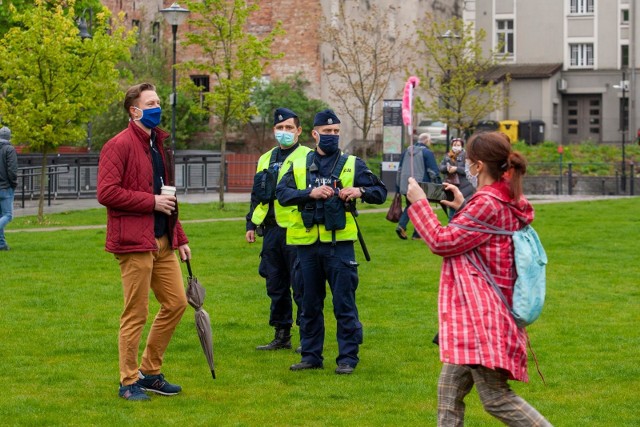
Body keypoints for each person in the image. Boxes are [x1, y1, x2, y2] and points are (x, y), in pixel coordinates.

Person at [406, 131, 552, 426]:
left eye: (469, 161)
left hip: (482, 315)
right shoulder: (505, 196)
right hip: (481, 311)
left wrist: (420, 203)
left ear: (479, 165)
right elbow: (484, 237)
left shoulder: (487, 201)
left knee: (496, 398)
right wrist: (462, 206)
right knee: (448, 392)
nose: (466, 166)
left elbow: (441, 241)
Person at [97, 83, 190, 402]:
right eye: (151, 103)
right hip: (134, 242)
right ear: (134, 111)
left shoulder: (159, 146)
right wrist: (149, 202)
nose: (157, 107)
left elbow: (168, 197)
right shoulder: (117, 145)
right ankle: (128, 381)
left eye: (158, 101)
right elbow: (106, 193)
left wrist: (179, 238)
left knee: (177, 302)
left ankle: (150, 372)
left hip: (163, 240)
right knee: (135, 312)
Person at [276, 109, 387, 374]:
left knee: (344, 304)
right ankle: (311, 356)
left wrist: (359, 191)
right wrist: (310, 193)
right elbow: (282, 194)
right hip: (307, 247)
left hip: (340, 247)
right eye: (327, 132)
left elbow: (380, 192)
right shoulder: (299, 164)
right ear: (315, 134)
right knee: (309, 304)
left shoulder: (352, 163)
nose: (332, 136)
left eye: (336, 132)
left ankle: (348, 358)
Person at [245, 107, 311, 351]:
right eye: (280, 128)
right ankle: (281, 334)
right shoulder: (266, 158)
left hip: (296, 230)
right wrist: (251, 223)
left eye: (289, 128)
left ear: (299, 131)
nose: (284, 132)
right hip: (271, 230)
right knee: (275, 284)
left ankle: (308, 338)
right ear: (274, 130)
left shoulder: (308, 156)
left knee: (301, 285)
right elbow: (257, 194)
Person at [395, 133, 440, 240]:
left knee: (410, 206)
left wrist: (398, 186)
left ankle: (408, 229)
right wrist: (438, 185)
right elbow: (433, 171)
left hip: (405, 184)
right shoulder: (427, 153)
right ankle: (412, 232)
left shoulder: (406, 151)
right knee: (421, 208)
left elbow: (399, 169)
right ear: (427, 141)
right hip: (422, 185)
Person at [439, 137, 475, 219]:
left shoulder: (466, 156)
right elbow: (441, 167)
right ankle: (451, 225)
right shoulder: (447, 156)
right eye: (454, 145)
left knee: (463, 209)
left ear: (462, 146)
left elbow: (469, 170)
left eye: (458, 145)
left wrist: (456, 169)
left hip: (464, 187)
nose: (456, 146)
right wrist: (446, 169)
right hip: (451, 186)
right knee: (452, 210)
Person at [0, 126, 18, 251]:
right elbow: (12, 170)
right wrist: (14, 184)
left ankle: (1, 244)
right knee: (8, 215)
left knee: (1, 215)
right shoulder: (9, 149)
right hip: (5, 187)